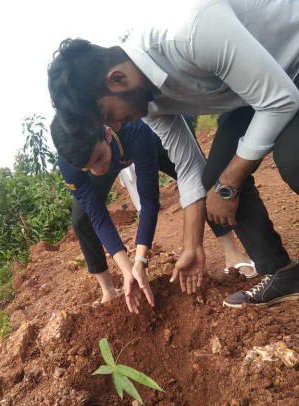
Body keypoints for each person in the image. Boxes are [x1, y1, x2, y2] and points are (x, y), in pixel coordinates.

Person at [48, 0, 299, 308]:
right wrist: (191, 246)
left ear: (117, 79)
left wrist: (228, 184)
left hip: (289, 69)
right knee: (211, 179)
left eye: (109, 115)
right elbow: (188, 164)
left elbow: (280, 100)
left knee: (292, 159)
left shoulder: (191, 32)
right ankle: (283, 272)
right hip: (251, 98)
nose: (113, 127)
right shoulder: (146, 102)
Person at [51, 115, 256, 311]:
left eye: (98, 159)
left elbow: (148, 200)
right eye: (88, 169)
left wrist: (141, 259)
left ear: (106, 133)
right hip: (112, 154)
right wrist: (128, 269)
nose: (97, 171)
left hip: (152, 139)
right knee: (82, 219)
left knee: (199, 177)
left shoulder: (135, 127)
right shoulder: (73, 165)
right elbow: (97, 215)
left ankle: (232, 253)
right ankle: (108, 290)